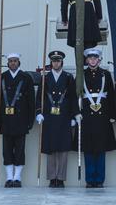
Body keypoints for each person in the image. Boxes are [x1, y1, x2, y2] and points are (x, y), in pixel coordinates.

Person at [37, 50, 79, 188]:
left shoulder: (68, 77)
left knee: (63, 148)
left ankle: (60, 178)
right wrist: (39, 112)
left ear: (62, 62)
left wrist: (74, 115)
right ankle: (51, 177)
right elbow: (40, 97)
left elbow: (73, 97)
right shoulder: (45, 78)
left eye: (58, 60)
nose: (56, 63)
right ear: (51, 62)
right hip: (49, 116)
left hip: (64, 116)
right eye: (54, 61)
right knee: (50, 148)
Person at [0, 53, 35, 187]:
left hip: (21, 120)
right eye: (10, 61)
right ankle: (9, 177)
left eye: (15, 61)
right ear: (7, 63)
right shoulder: (1, 78)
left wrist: (30, 120)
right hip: (5, 120)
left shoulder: (26, 78)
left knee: (20, 150)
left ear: (19, 62)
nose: (12, 63)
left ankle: (17, 178)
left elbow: (31, 101)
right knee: (7, 150)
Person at [80, 48, 116, 188]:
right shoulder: (81, 74)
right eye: (90, 58)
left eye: (95, 58)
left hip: (103, 117)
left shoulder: (105, 74)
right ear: (87, 60)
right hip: (87, 116)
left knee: (101, 149)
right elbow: (75, 95)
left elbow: (112, 96)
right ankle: (90, 180)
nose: (93, 60)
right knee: (88, 149)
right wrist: (77, 113)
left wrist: (113, 115)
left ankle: (100, 180)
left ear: (99, 59)